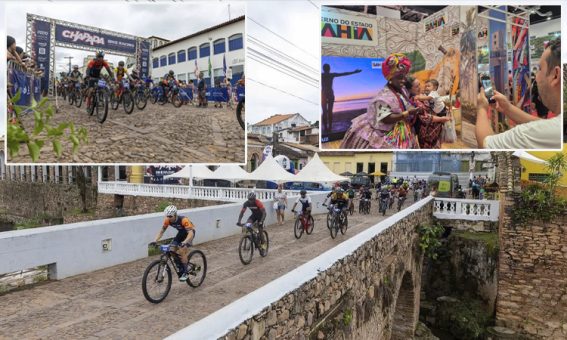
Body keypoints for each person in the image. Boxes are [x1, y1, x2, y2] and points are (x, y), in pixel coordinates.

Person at [476, 37, 561, 149]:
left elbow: (485, 144)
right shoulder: (556, 128)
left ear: (555, 75)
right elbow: (544, 126)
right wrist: (508, 108)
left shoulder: (526, 135)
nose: (536, 76)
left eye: (539, 68)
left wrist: (482, 108)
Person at [340, 53, 420, 149]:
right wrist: (407, 113)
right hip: (386, 132)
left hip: (401, 130)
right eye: (399, 78)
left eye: (404, 77)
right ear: (390, 78)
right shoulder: (383, 97)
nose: (403, 80)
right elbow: (386, 118)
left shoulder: (401, 90)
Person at [149, 205, 196, 282]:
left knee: (181, 250)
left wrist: (184, 242)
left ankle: (185, 272)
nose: (169, 217)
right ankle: (179, 265)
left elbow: (190, 233)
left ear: (175, 214)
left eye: (170, 216)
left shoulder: (184, 220)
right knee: (172, 248)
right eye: (167, 216)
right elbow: (161, 231)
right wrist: (155, 240)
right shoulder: (167, 220)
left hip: (190, 234)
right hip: (181, 233)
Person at [406, 76, 452, 149]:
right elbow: (426, 117)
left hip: (434, 132)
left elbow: (432, 104)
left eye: (419, 85)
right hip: (427, 135)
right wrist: (442, 119)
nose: (420, 87)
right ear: (410, 89)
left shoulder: (422, 95)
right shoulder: (414, 101)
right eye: (417, 86)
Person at [321, 64, 361, 132]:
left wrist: (354, 72)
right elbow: (344, 74)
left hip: (324, 94)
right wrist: (354, 72)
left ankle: (326, 128)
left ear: (323, 69)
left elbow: (343, 74)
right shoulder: (331, 75)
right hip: (329, 94)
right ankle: (329, 128)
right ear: (329, 69)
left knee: (325, 112)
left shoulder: (322, 75)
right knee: (330, 112)